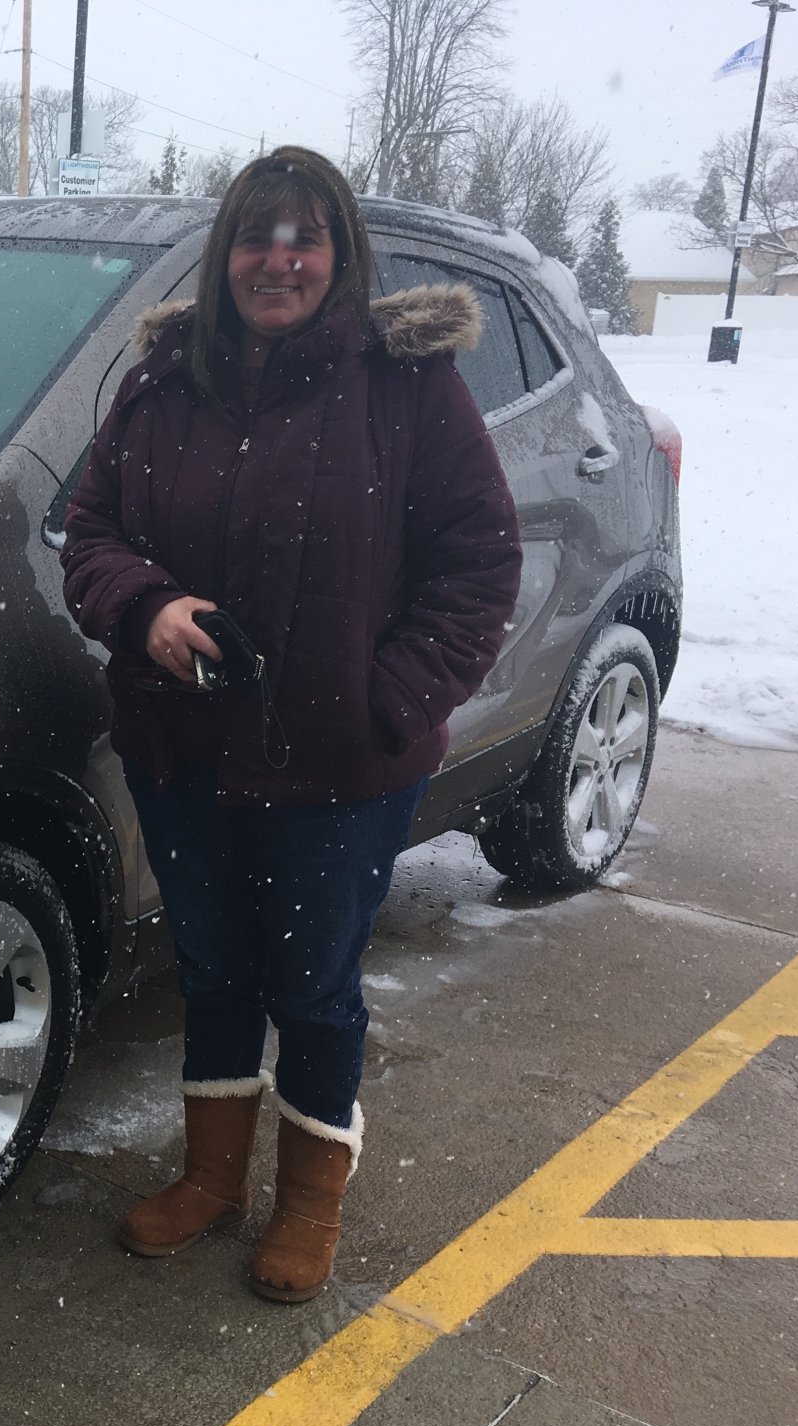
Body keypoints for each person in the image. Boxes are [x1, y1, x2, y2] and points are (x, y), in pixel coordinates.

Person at [60, 147, 521, 1301]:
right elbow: (91, 533)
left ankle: (308, 1201)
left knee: (311, 985)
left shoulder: (406, 386)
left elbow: (476, 566)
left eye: (303, 237)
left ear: (337, 254)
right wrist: (147, 607)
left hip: (338, 767)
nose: (278, 260)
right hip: (183, 752)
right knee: (213, 971)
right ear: (223, 256)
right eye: (255, 237)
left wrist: (387, 702)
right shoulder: (163, 382)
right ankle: (211, 1179)